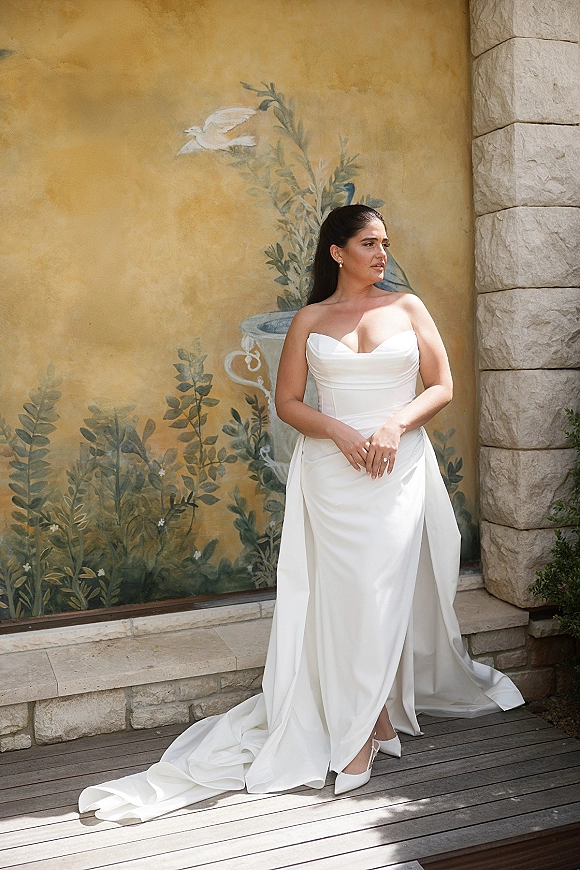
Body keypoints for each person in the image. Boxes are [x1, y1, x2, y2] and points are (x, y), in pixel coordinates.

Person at [79, 205, 524, 821]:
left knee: (381, 592)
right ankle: (374, 721)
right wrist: (341, 433)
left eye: (386, 244)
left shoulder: (408, 308)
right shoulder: (310, 320)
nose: (382, 254)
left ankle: (367, 728)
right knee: (342, 601)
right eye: (369, 243)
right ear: (337, 252)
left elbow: (441, 385)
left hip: (395, 471)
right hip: (332, 476)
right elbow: (288, 402)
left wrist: (394, 424)